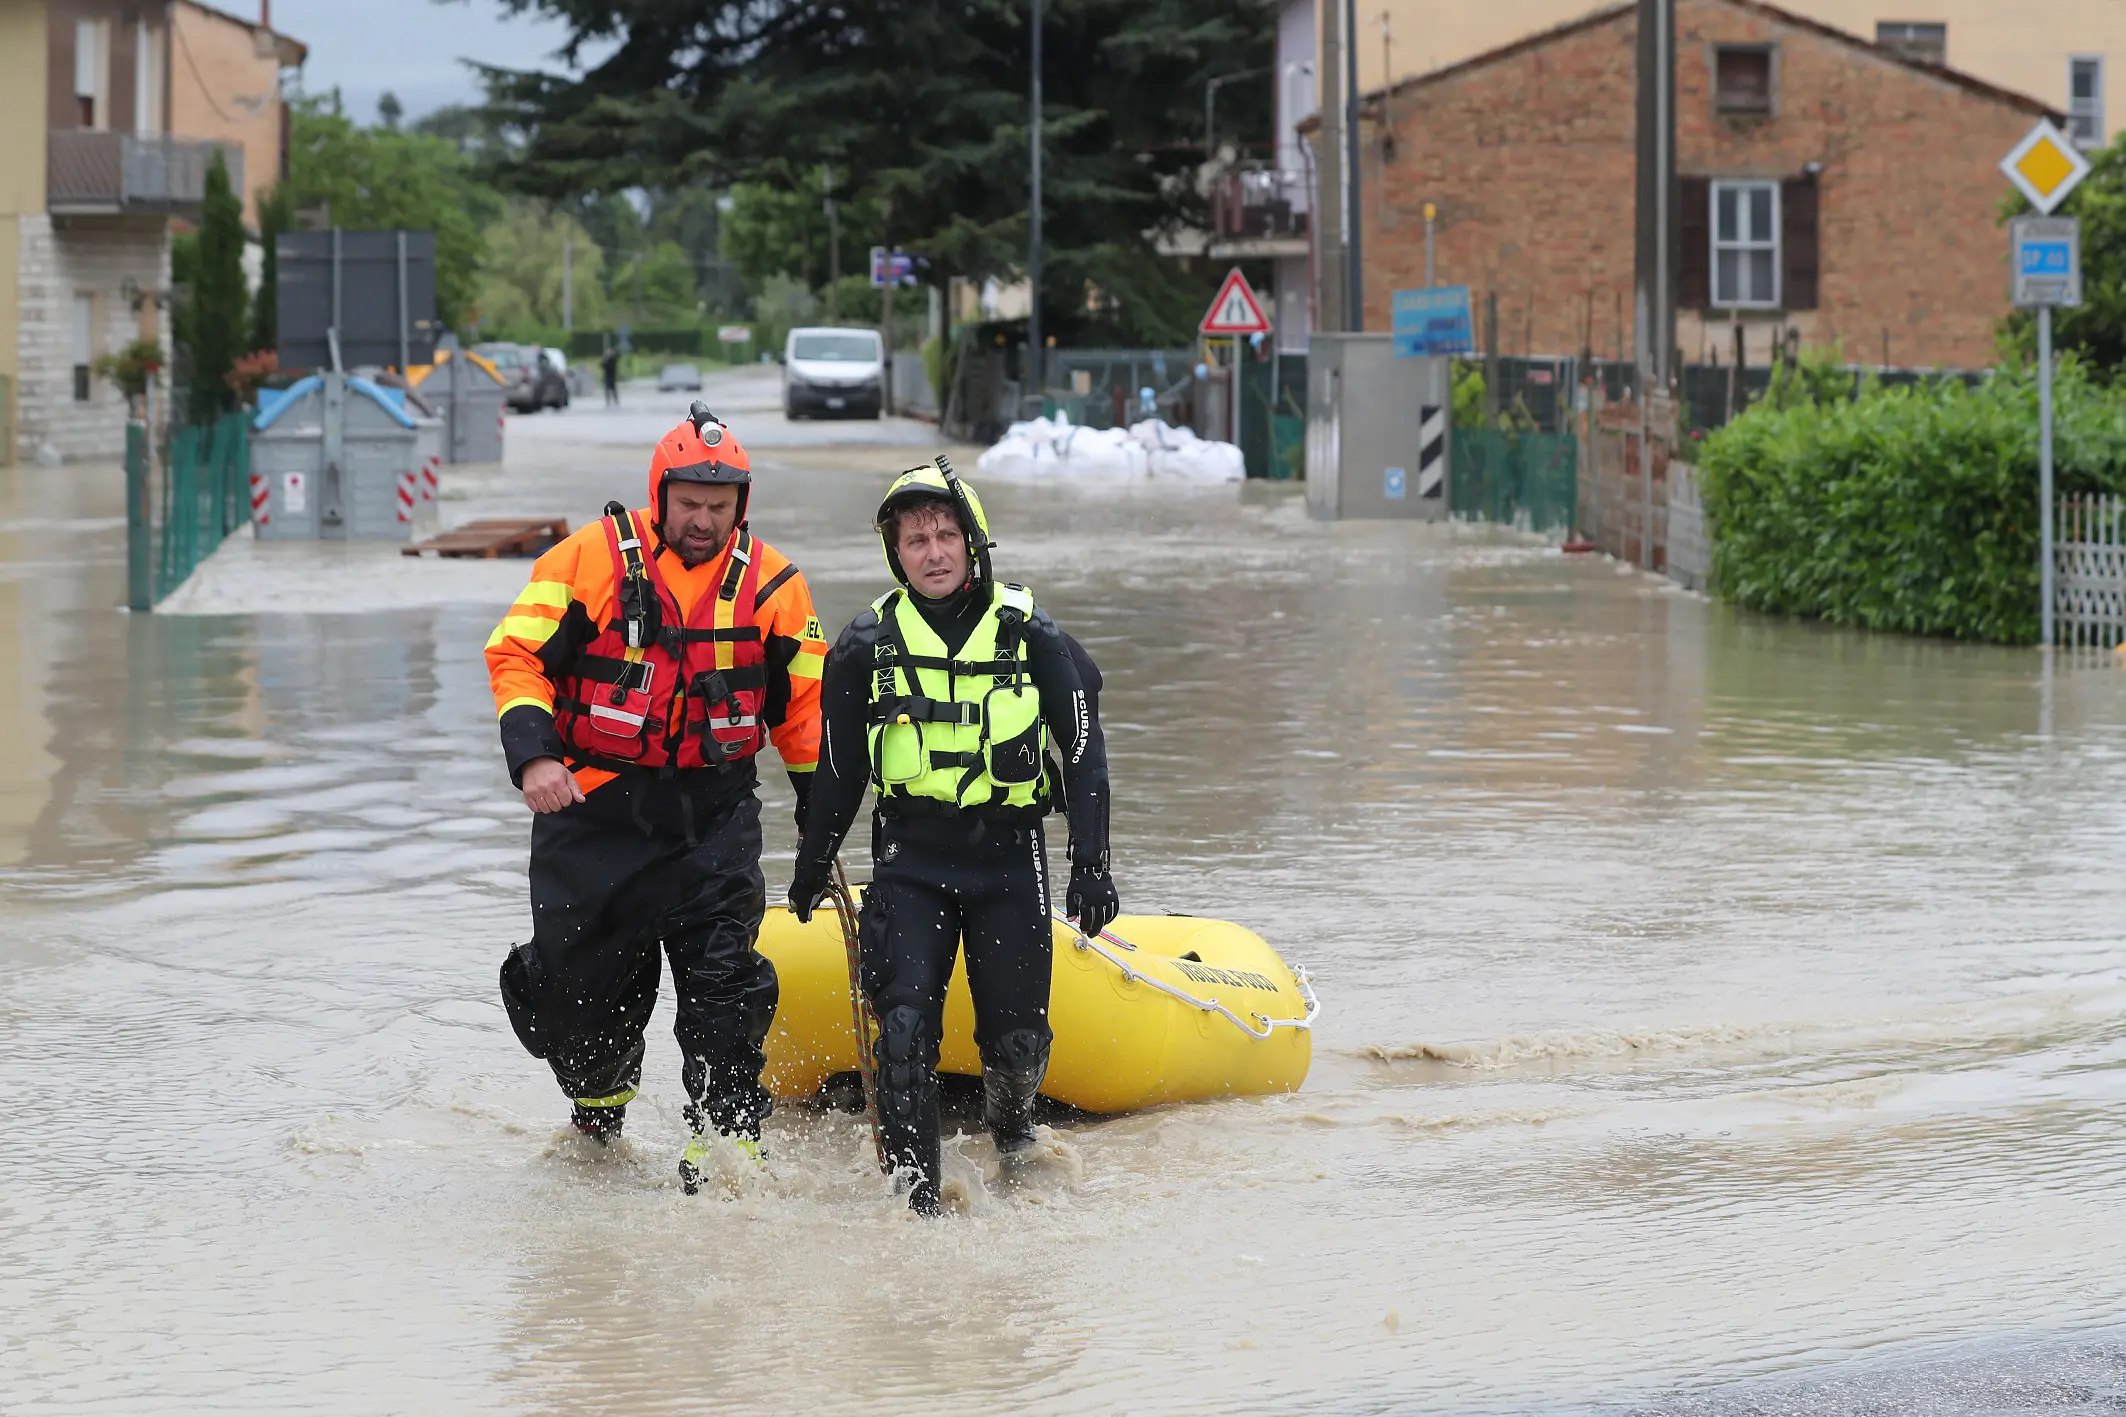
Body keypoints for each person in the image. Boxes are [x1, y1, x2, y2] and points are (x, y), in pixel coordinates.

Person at [485, 402, 828, 1193]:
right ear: (659, 493)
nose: (703, 521)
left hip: (712, 818)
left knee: (725, 985)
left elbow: (804, 717)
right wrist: (533, 759)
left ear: (741, 506)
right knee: (579, 1005)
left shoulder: (775, 586)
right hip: (591, 814)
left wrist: (822, 818)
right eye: (689, 505)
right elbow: (516, 656)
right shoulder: (585, 563)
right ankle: (598, 1115)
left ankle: (726, 1139)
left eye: (719, 507)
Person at [787, 460, 1118, 1215]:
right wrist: (811, 865)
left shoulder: (1033, 634)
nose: (932, 552)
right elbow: (839, 772)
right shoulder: (863, 646)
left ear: (974, 544)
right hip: (912, 859)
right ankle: (918, 1210)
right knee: (901, 1031)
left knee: (1018, 1043)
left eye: (945, 535)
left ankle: (1015, 1134)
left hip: (1010, 859)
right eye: (914, 540)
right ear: (894, 554)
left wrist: (1091, 863)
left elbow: (1086, 751)